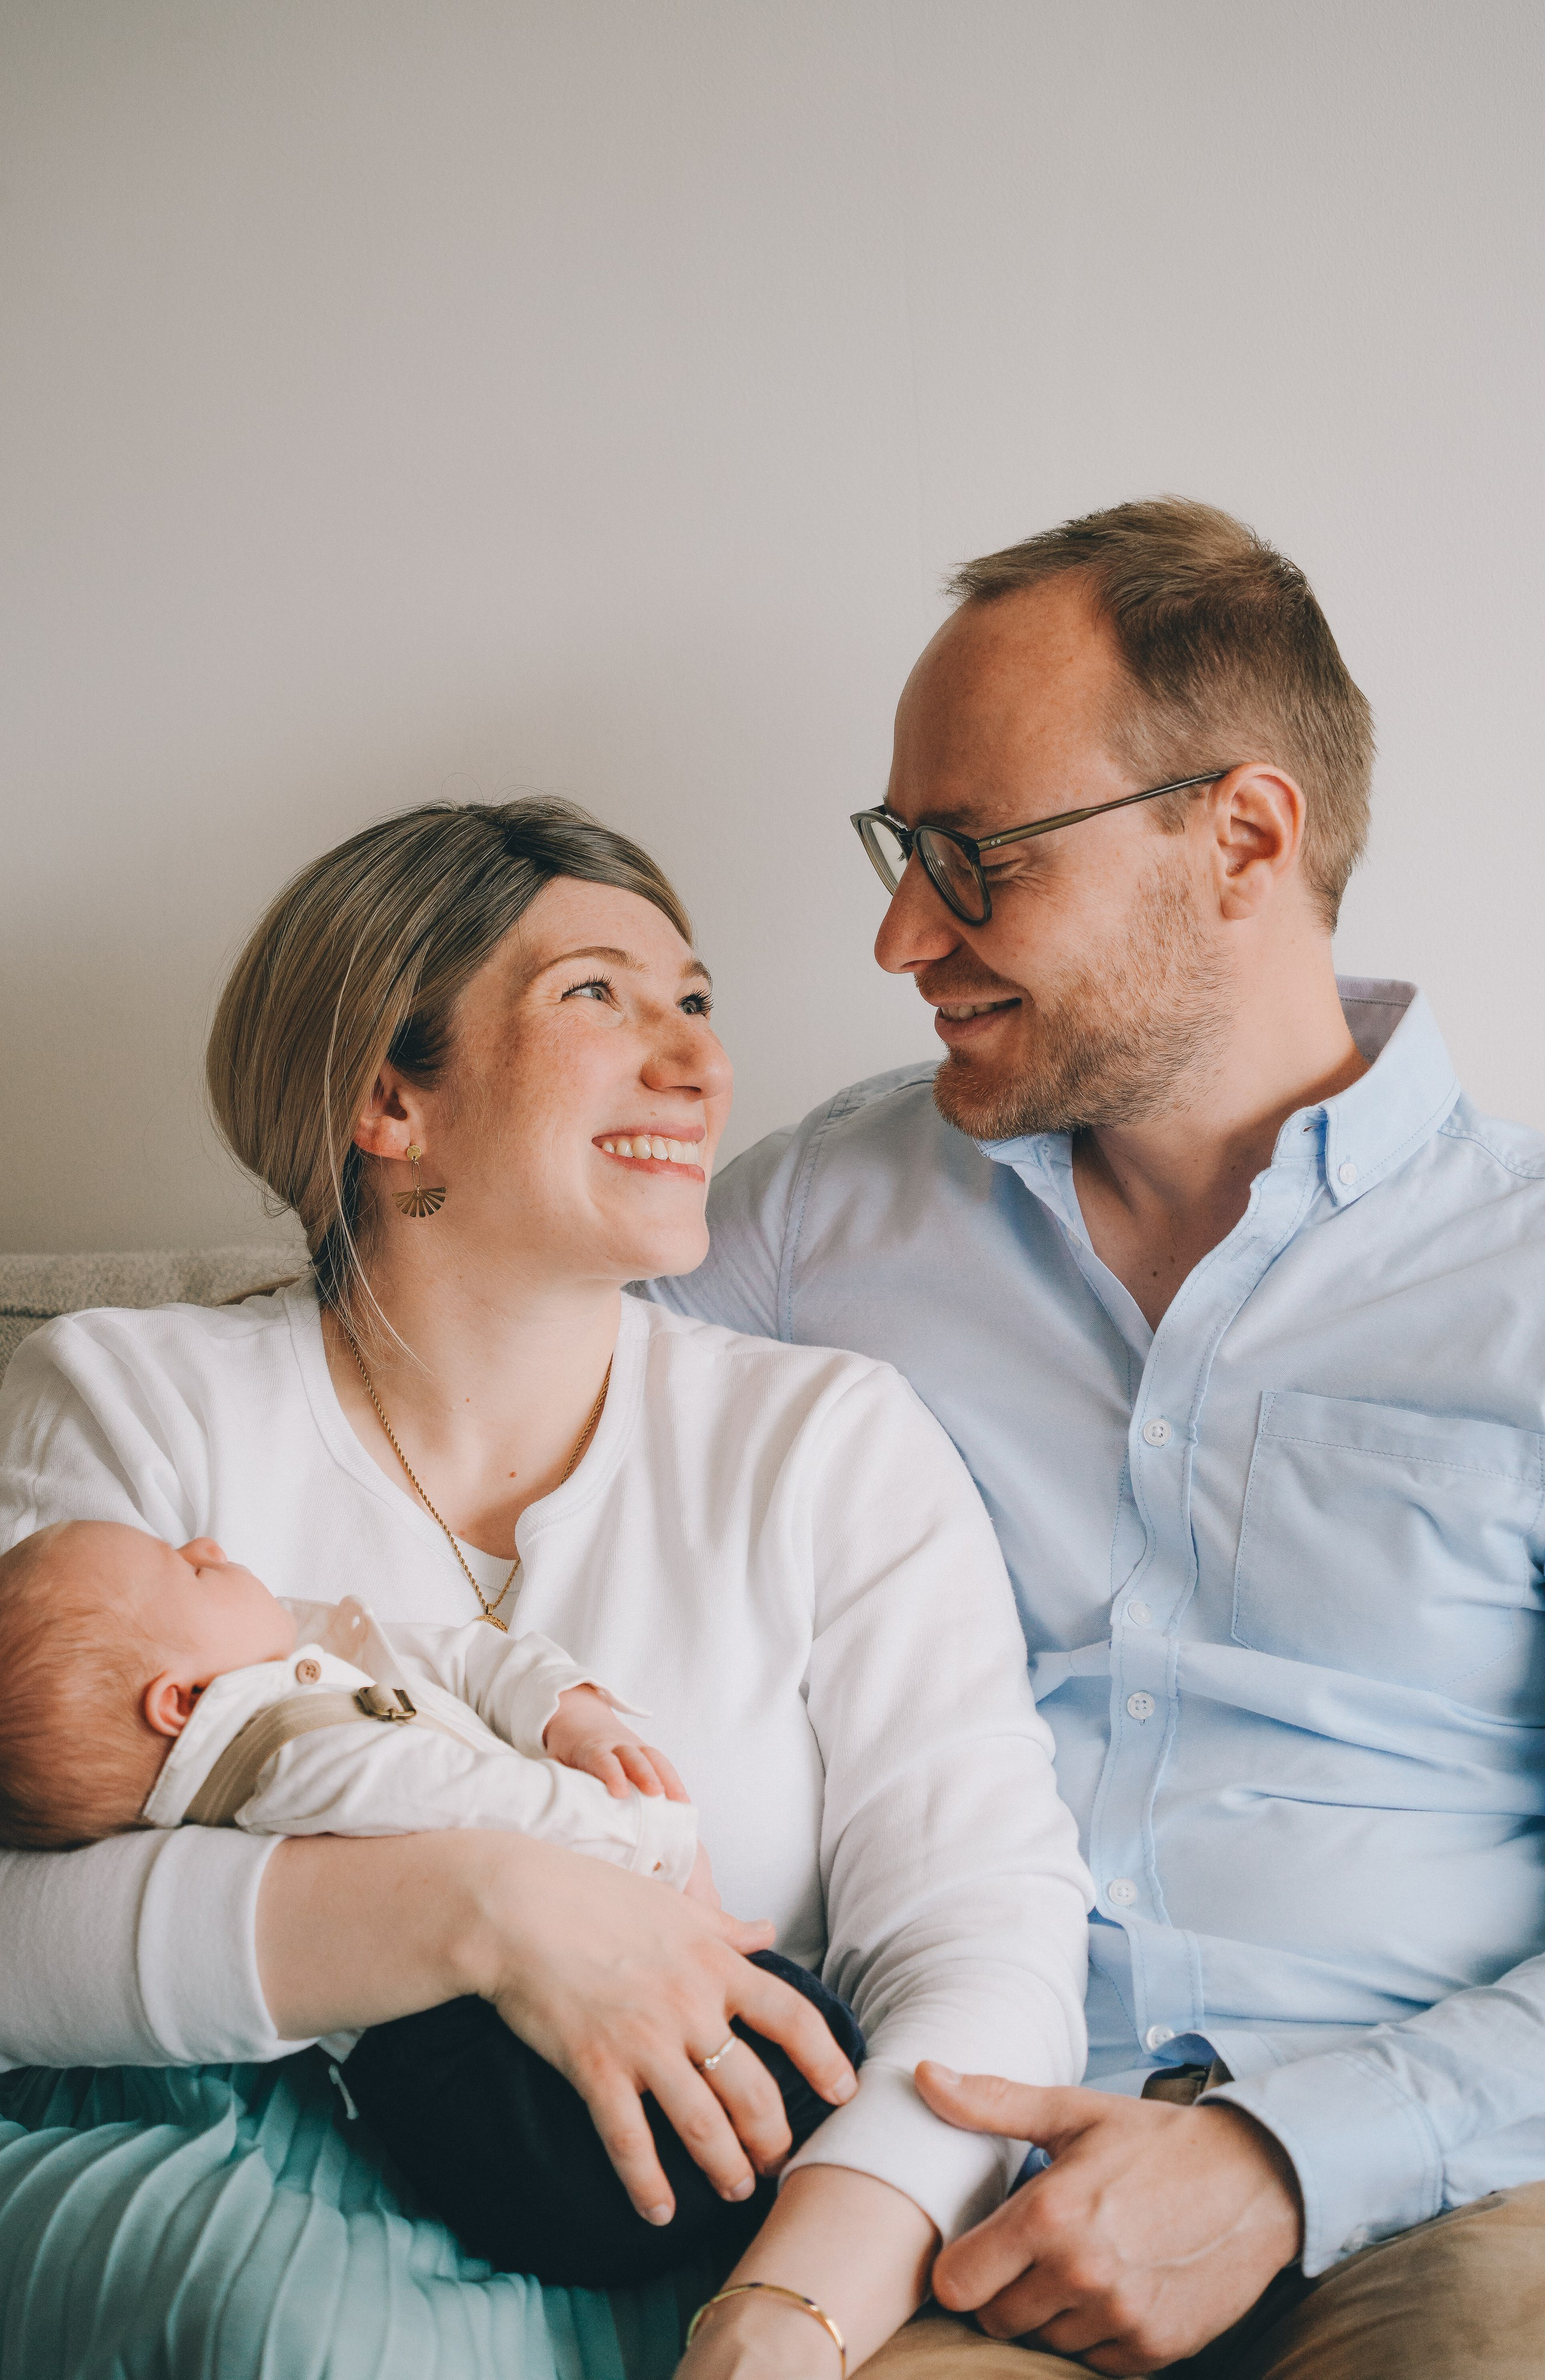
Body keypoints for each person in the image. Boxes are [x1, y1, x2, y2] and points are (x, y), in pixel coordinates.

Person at [0, 797, 1092, 2380]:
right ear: (385, 1099)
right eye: (595, 996)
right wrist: (484, 1911)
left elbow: (986, 1932)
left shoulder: (828, 1440)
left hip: (721, 2223)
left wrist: (795, 2309)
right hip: (253, 2243)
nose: (695, 1063)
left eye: (693, 1001)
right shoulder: (136, 1398)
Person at [650, 498, 1545, 2379]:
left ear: (1241, 835)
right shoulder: (823, 1215)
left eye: (974, 855)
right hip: (962, 2216)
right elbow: (467, 1435)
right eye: (903, 849)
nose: (903, 934)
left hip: (1447, 2201)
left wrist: (1288, 2161)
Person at [0, 1517, 865, 2284]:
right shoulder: (292, 1752)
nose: (206, 1539)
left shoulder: (279, 1680)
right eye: (189, 1568)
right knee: (792, 2064)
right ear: (180, 1699)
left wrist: (566, 1708)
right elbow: (476, 1800)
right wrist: (656, 1844)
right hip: (470, 2050)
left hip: (460, 2065)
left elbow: (452, 1654)